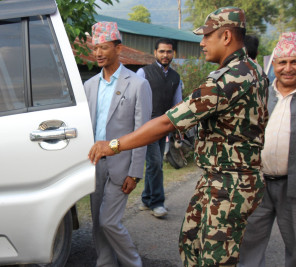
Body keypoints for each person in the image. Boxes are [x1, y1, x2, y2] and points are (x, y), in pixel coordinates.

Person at [88, 7, 269, 266]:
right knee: (191, 241)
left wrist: (114, 145)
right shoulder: (254, 70)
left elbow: (166, 122)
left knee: (212, 257)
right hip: (227, 179)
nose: (202, 43)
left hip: (228, 185)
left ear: (226, 36)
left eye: (207, 36)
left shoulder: (229, 79)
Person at [84, 21, 152, 267]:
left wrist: (135, 173)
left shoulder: (137, 84)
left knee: (109, 221)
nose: (98, 53)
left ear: (118, 48)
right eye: (95, 48)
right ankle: (105, 264)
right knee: (97, 225)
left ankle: (133, 263)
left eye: (104, 47)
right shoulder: (89, 86)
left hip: (121, 166)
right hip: (95, 165)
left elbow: (142, 132)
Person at [239, 32, 296, 267]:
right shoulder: (262, 93)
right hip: (258, 184)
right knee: (248, 241)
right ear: (274, 64)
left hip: (292, 187)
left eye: (294, 62)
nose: (288, 68)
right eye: (282, 62)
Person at [136, 38, 182, 218]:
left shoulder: (175, 77)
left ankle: (147, 199)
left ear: (173, 54)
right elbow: (136, 99)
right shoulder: (143, 72)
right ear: (155, 53)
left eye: (169, 52)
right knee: (156, 162)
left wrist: (178, 128)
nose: (165, 55)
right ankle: (157, 202)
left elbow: (177, 104)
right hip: (147, 126)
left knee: (154, 164)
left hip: (165, 126)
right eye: (162, 51)